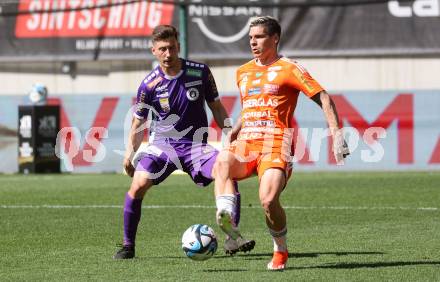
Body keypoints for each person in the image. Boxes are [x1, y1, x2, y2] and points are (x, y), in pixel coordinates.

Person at [212, 16, 349, 270]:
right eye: (251, 37)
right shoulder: (243, 72)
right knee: (222, 161)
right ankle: (227, 220)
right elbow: (251, 107)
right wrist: (234, 130)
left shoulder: (290, 68)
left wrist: (336, 134)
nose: (253, 42)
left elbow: (324, 98)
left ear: (275, 38)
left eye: (259, 36)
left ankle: (280, 249)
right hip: (247, 143)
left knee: (268, 200)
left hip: (277, 143)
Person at [113, 25, 255, 259]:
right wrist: (129, 155)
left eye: (171, 48)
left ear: (178, 46)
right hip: (162, 147)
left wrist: (231, 138)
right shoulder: (148, 85)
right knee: (137, 185)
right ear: (154, 51)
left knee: (226, 169)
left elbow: (217, 108)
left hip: (196, 146)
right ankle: (128, 246)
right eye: (162, 49)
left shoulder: (200, 72)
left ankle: (232, 238)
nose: (168, 54)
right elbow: (138, 125)